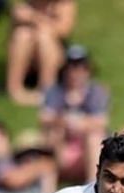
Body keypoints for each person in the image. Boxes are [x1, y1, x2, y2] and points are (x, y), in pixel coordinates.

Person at [39, 45, 109, 183]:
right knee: (54, 134)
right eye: (71, 67)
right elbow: (44, 118)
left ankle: (92, 184)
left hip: (87, 152)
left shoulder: (96, 91)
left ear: (88, 70)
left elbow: (101, 121)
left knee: (94, 137)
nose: (75, 72)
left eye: (80, 67)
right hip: (62, 149)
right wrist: (65, 122)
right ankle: (46, 192)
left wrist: (79, 124)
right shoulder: (54, 91)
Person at [6, 0, 77, 106]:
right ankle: (14, 89)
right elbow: (11, 38)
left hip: (54, 55)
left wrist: (34, 18)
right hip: (29, 57)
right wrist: (17, 19)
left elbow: (63, 31)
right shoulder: (27, 4)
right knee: (22, 35)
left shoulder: (64, 4)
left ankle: (46, 90)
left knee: (44, 36)